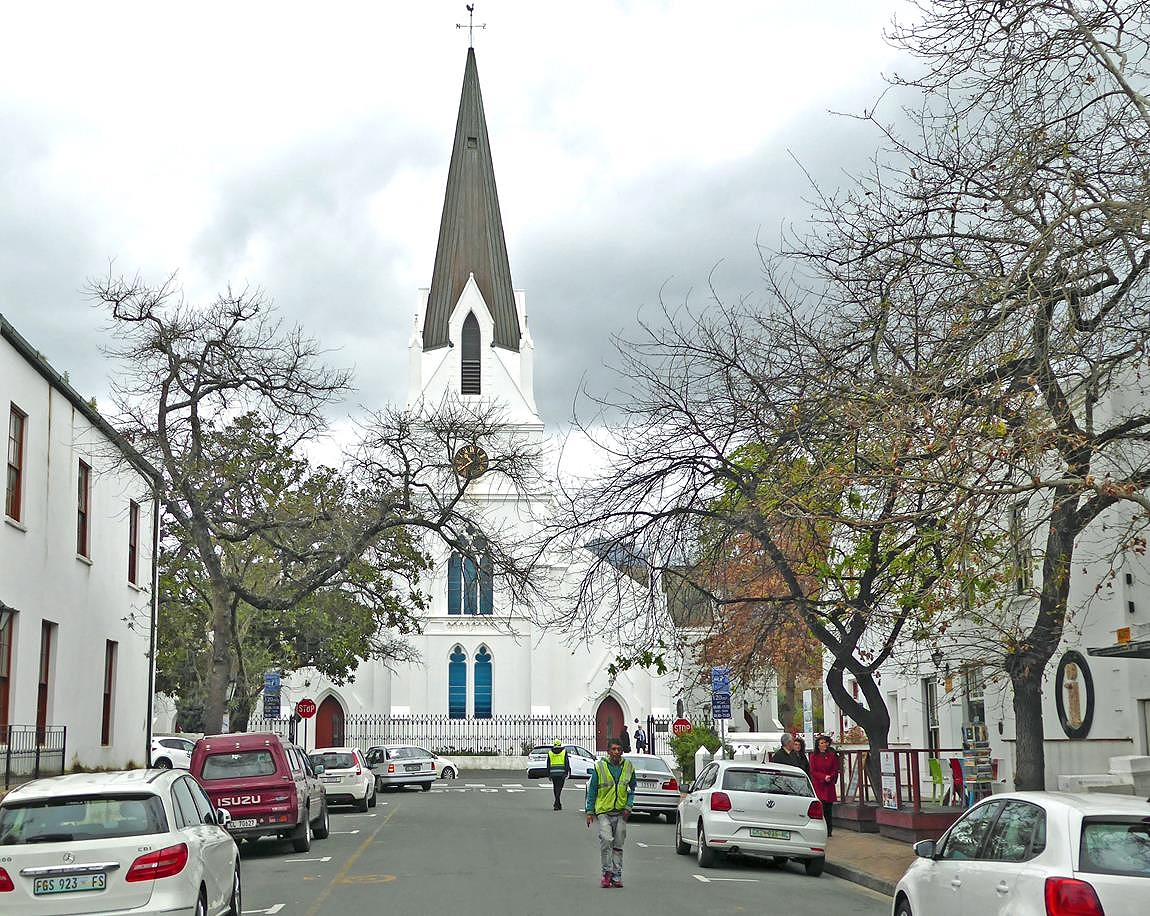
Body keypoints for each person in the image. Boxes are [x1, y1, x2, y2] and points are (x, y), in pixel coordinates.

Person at [585, 738, 636, 888]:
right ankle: (606, 873)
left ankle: (616, 875)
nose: (616, 752)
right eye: (613, 749)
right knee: (606, 840)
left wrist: (628, 806)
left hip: (621, 812)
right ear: (608, 751)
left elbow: (632, 789)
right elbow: (592, 790)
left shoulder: (628, 766)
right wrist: (589, 811)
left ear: (622, 751)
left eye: (619, 749)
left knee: (618, 844)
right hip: (604, 812)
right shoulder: (600, 767)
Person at [808, 734, 840, 836]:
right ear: (818, 746)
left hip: (829, 785)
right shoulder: (813, 756)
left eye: (825, 742)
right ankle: (820, 830)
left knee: (828, 809)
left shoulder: (831, 756)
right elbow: (813, 771)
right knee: (820, 808)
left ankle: (829, 830)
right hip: (819, 785)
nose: (824, 744)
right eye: (822, 743)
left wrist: (830, 776)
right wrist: (823, 777)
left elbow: (835, 768)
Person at [548, 739, 571, 810]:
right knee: (559, 788)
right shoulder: (564, 752)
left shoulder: (550, 752)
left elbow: (548, 764)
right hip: (561, 773)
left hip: (553, 772)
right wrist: (567, 771)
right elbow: (566, 762)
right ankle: (556, 803)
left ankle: (558, 804)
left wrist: (549, 774)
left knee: (555, 787)